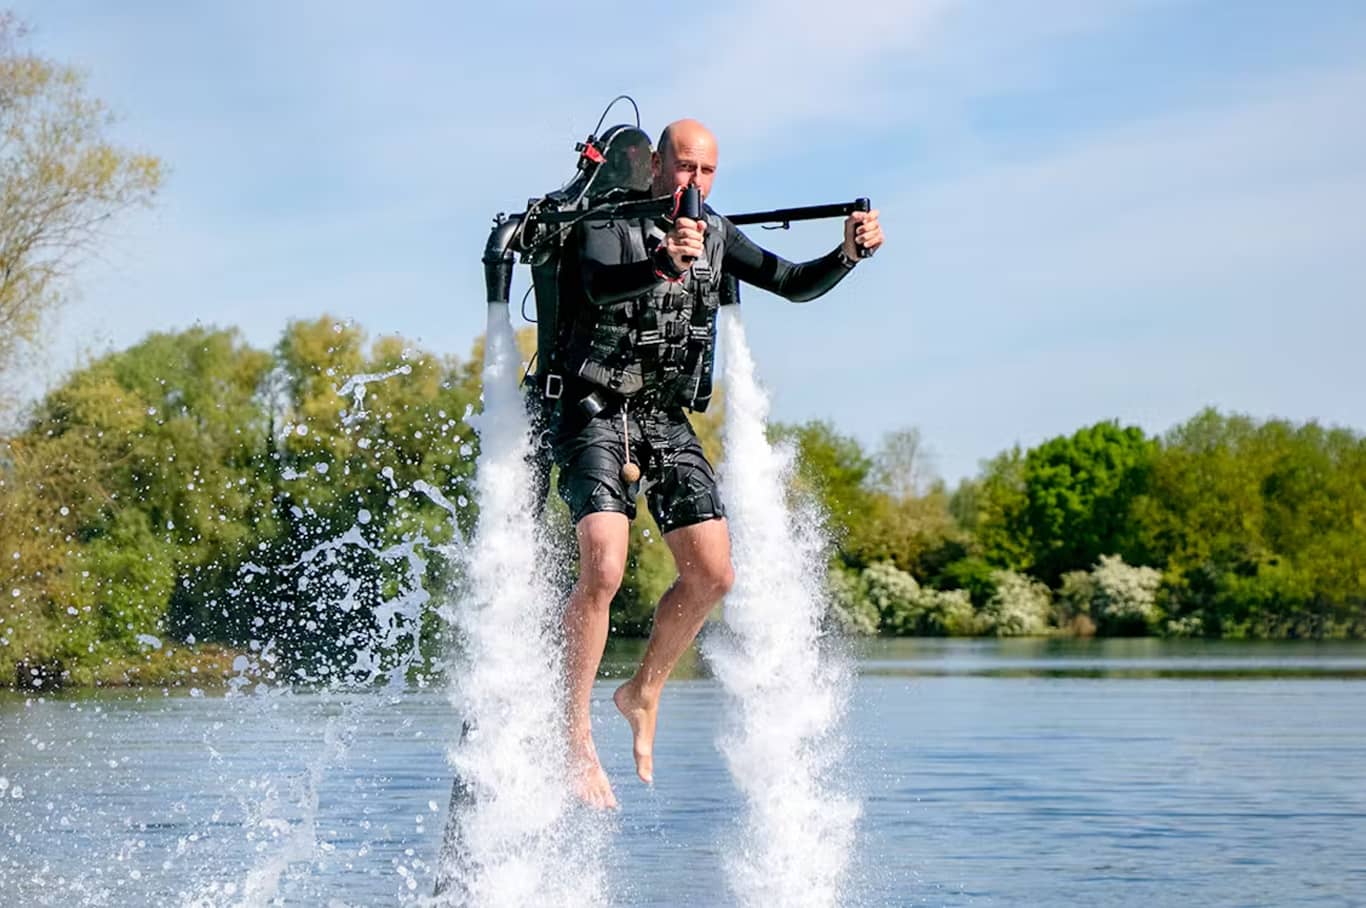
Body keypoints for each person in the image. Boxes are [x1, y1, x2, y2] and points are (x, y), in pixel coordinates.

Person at [551, 118, 884, 808]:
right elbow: (598, 287)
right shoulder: (605, 224)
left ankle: (641, 691)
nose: (694, 183)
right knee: (605, 564)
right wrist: (666, 260)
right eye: (683, 168)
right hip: (596, 406)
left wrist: (845, 255)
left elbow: (790, 282)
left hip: (663, 417)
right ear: (654, 167)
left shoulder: (719, 235)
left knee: (714, 572)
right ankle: (572, 736)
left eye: (706, 172)